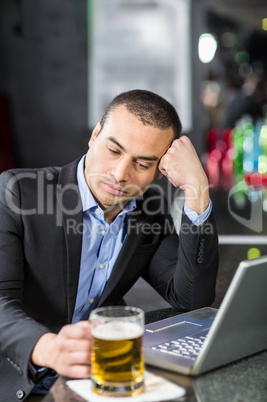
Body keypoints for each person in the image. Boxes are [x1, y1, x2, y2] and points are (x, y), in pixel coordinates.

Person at [0, 89, 218, 401]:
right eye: (114, 151)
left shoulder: (150, 210)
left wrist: (197, 189)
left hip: (93, 385)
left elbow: (192, 298)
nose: (119, 174)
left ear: (160, 171)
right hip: (17, 383)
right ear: (95, 136)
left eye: (142, 164)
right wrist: (48, 348)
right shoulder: (18, 193)